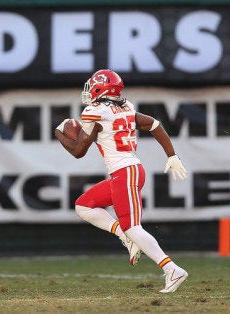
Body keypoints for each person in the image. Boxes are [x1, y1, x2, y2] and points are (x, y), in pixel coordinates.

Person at [54, 69, 189, 293]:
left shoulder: (95, 111)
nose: (88, 91)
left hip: (125, 172)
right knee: (83, 205)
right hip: (126, 172)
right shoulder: (126, 106)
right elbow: (154, 124)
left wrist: (59, 132)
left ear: (101, 88)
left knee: (134, 227)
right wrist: (171, 154)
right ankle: (124, 237)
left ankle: (172, 269)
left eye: (92, 86)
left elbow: (79, 151)